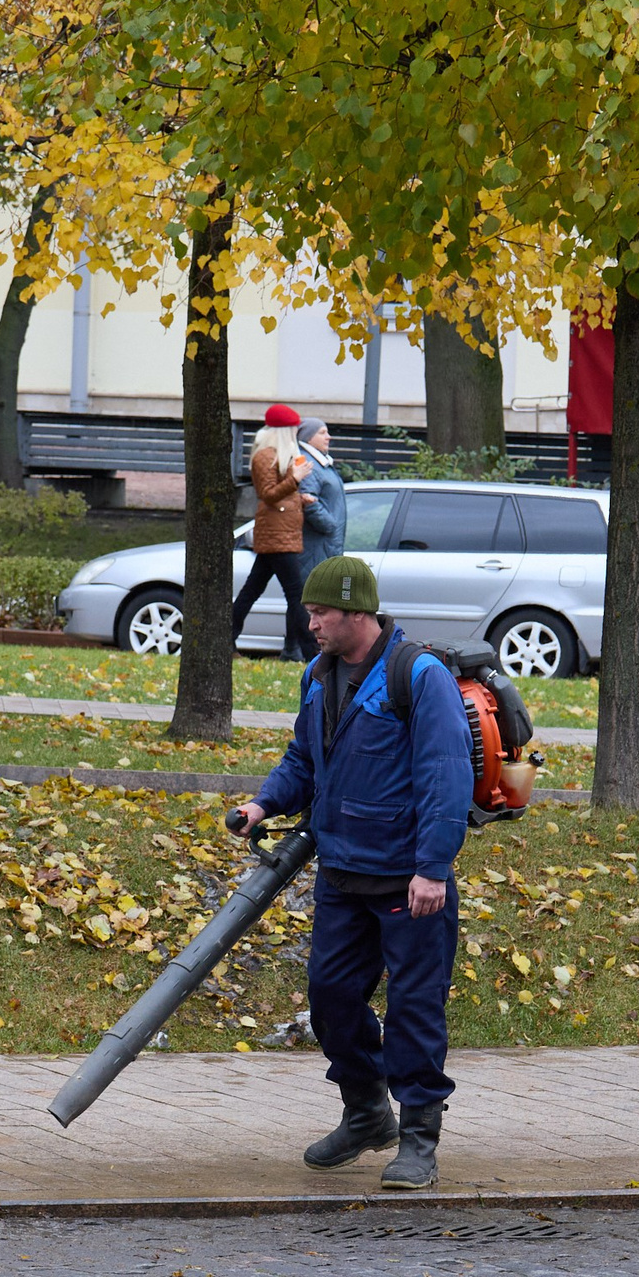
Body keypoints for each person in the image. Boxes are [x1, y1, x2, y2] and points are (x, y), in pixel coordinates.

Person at [233, 555, 472, 1189]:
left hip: (409, 882)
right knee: (331, 998)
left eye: (320, 613)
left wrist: (433, 868)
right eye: (309, 613)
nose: (310, 623)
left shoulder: (418, 676)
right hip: (342, 873)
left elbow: (447, 776)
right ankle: (367, 1112)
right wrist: (263, 803)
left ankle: (419, 1138)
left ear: (357, 613)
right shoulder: (319, 675)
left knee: (414, 1008)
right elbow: (303, 760)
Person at [234, 404, 314, 659]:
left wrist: (299, 498)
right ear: (282, 431)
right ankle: (313, 652)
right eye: (293, 429)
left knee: (252, 591)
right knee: (296, 594)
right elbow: (267, 494)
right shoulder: (265, 456)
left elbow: (279, 496)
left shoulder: (277, 455)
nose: (296, 434)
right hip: (277, 536)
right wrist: (295, 479)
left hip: (280, 534)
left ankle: (225, 639)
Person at [295, 417, 346, 571]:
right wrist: (330, 525)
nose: (328, 437)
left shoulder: (320, 462)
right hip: (315, 549)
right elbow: (308, 500)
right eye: (322, 433)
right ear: (309, 437)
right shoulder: (307, 463)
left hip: (325, 546)